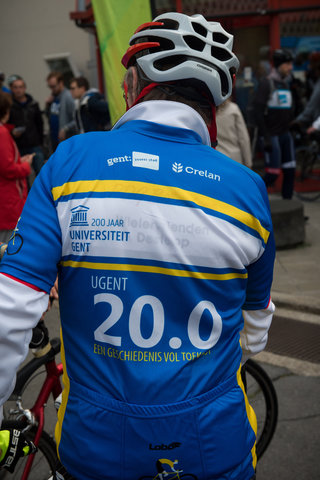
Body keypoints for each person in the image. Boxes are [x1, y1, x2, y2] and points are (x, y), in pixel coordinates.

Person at [0, 12, 275, 480]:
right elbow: (255, 331)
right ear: (213, 103)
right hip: (215, 438)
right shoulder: (248, 189)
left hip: (98, 440)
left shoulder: (72, 161)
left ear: (131, 85)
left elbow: (10, 307)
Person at [253, 48, 296, 199]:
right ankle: (250, 200)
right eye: (287, 64)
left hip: (285, 134)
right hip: (272, 135)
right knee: (272, 174)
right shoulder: (267, 83)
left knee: (290, 172)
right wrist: (265, 136)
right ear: (279, 65)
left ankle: (289, 205)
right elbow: (257, 111)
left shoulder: (285, 83)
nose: (290, 68)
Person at [0, 91, 33, 243]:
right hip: (7, 202)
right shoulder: (2, 133)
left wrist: (19, 161)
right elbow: (7, 169)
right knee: (7, 250)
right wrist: (25, 166)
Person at [8, 74, 45, 176]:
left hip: (35, 145)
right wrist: (12, 133)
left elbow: (40, 125)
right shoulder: (9, 106)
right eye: (15, 87)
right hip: (18, 146)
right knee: (22, 176)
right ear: (11, 89)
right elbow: (6, 125)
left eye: (20, 87)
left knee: (41, 174)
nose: (18, 90)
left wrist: (41, 144)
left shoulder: (33, 104)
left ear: (24, 88)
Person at [216, 97, 252, 167]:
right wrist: (248, 163)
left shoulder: (207, 111)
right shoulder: (234, 109)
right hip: (235, 160)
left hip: (216, 159)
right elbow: (243, 139)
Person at [45, 71, 76, 152]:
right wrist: (48, 105)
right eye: (49, 86)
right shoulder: (54, 97)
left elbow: (77, 119)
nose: (51, 89)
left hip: (66, 141)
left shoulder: (68, 96)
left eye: (53, 86)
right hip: (55, 139)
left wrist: (65, 129)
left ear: (61, 83)